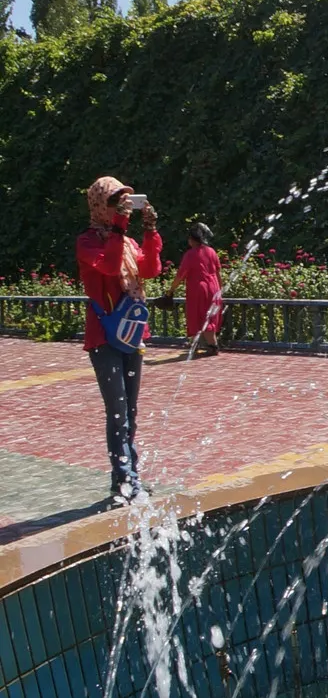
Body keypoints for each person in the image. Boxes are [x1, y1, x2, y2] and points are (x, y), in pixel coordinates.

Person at [77, 175, 163, 503]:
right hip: (104, 336)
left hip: (132, 333)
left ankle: (126, 477)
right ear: (99, 204)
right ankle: (126, 479)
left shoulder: (126, 241)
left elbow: (151, 269)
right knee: (117, 409)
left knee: (131, 410)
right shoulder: (88, 241)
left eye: (124, 201)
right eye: (114, 202)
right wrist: (121, 226)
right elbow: (111, 268)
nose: (119, 208)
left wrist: (151, 232)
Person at [169, 221, 223, 355]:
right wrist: (220, 291)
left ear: (192, 240)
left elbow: (181, 275)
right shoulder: (211, 251)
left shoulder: (190, 254)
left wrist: (171, 290)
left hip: (199, 288)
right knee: (210, 315)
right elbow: (218, 272)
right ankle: (207, 344)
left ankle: (208, 345)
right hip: (214, 286)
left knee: (198, 315)